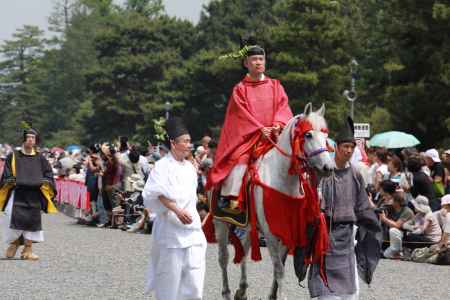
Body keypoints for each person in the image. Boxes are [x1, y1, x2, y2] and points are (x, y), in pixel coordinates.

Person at [207, 39, 293, 209]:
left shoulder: (276, 86)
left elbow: (283, 107)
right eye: (254, 59)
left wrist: (277, 124)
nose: (258, 62)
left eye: (261, 59)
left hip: (275, 137)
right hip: (250, 138)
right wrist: (259, 129)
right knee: (238, 159)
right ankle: (230, 196)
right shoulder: (240, 89)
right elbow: (240, 115)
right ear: (246, 63)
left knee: (297, 158)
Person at [308, 116, 381, 300]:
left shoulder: (356, 173)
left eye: (352, 147)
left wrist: (371, 219)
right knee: (326, 293)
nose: (349, 151)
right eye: (345, 147)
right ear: (337, 148)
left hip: (347, 237)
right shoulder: (323, 172)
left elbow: (362, 204)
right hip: (325, 235)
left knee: (350, 294)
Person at [142, 117, 206, 300]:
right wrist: (176, 210)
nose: (189, 145)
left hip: (192, 230)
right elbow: (155, 193)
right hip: (171, 230)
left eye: (189, 141)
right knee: (169, 281)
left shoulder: (190, 168)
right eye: (185, 141)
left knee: (194, 280)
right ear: (173, 143)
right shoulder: (162, 166)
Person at [0, 127, 57, 260]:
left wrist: (44, 182)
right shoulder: (13, 156)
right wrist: (12, 181)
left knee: (32, 221)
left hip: (34, 195)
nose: (31, 140)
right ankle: (14, 244)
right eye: (28, 137)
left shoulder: (40, 158)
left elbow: (48, 174)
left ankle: (28, 249)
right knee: (11, 218)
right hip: (17, 194)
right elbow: (7, 174)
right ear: (24, 139)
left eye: (33, 138)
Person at [379, 192, 415, 259]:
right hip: (393, 236)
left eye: (392, 199)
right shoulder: (390, 208)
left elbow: (397, 225)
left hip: (405, 234)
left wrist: (384, 219)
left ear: (397, 202)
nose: (390, 201)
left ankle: (397, 252)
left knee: (393, 230)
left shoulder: (407, 211)